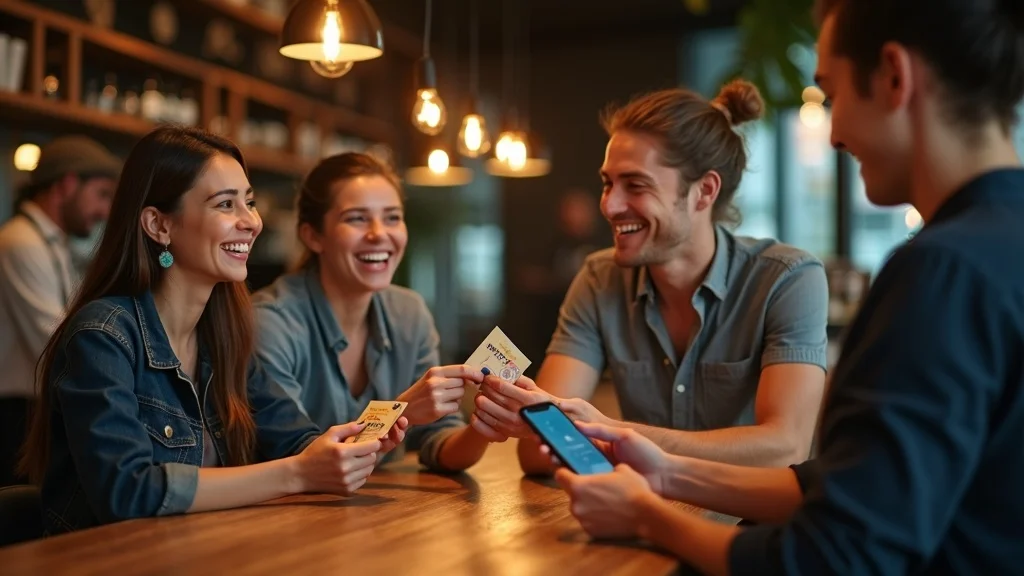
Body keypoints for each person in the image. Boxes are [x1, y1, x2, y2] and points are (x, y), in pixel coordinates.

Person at [549, 0, 1024, 573]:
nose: (834, 135)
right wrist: (667, 473)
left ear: (895, 77)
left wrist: (650, 517)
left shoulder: (942, 272)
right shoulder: (993, 249)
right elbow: (859, 486)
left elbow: (837, 555)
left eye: (832, 94)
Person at [18, 126, 406, 535]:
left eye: (249, 202)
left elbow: (297, 442)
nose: (251, 222)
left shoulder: (223, 336)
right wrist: (297, 474)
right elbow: (125, 492)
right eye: (226, 204)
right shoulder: (103, 335)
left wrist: (363, 442)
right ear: (158, 225)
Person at [474, 80, 830, 471]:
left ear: (704, 192)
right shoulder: (598, 279)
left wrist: (610, 432)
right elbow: (539, 450)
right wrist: (592, 433)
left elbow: (784, 449)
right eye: (608, 183)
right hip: (634, 512)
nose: (610, 205)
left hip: (750, 525)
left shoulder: (787, 280)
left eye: (636, 185)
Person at [252, 153, 494, 473]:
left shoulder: (409, 313)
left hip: (378, 517)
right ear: (313, 236)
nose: (379, 233)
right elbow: (307, 460)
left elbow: (437, 442)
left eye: (392, 217)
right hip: (280, 516)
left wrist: (485, 424)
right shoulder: (269, 322)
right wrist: (403, 409)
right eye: (357, 218)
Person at [0, 135, 120, 486]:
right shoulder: (20, 242)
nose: (105, 210)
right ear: (67, 184)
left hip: (31, 407)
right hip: (16, 412)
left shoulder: (51, 242)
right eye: (101, 194)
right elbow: (54, 341)